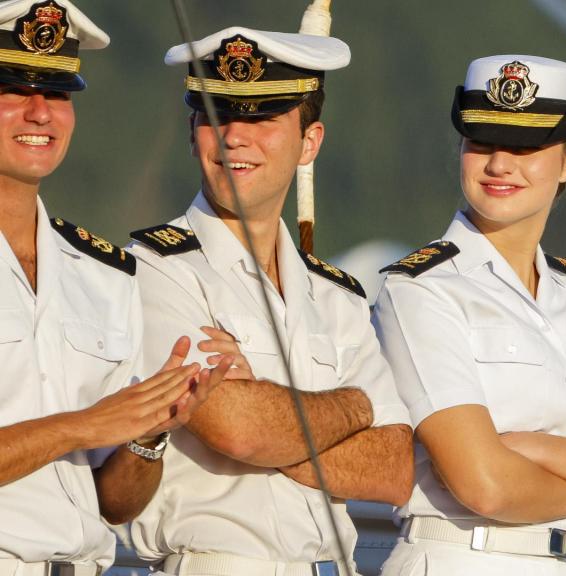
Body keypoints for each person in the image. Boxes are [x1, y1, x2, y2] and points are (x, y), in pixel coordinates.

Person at [372, 54, 566, 576]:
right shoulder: (420, 290)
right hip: (464, 560)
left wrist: (530, 447)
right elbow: (485, 486)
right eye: (481, 142)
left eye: (525, 147)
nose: (499, 164)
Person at [127, 27, 414, 576]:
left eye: (262, 118)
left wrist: (268, 416)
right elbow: (237, 428)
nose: (235, 136)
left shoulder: (336, 296)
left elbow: (395, 465)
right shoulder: (154, 269)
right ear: (192, 132)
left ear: (310, 142)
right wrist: (355, 407)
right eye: (216, 116)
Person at [0, 1, 227, 574]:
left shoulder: (104, 274)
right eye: (13, 89)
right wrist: (85, 425)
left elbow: (114, 504)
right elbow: (88, 427)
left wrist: (150, 430)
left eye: (58, 93)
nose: (40, 112)